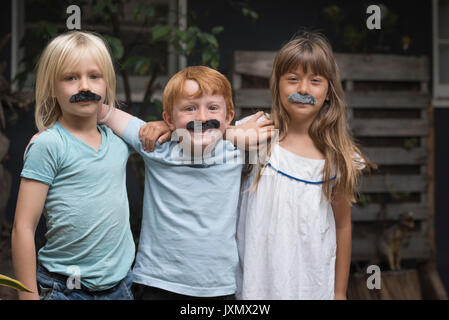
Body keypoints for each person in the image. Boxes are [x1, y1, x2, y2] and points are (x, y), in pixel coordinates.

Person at [97, 65, 274, 299]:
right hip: (158, 283)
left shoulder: (239, 147)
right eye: (189, 109)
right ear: (169, 118)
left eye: (212, 108)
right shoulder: (155, 145)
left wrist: (229, 132)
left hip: (217, 286)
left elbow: (283, 119)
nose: (201, 117)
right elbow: (103, 112)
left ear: (229, 115)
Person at [235, 31, 376, 300]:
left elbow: (342, 226)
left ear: (328, 91)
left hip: (311, 286)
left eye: (315, 81)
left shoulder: (336, 156)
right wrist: (166, 125)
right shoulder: (256, 134)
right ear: (277, 85)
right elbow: (201, 142)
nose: (303, 90)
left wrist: (339, 292)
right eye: (292, 79)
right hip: (257, 284)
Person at [11, 31, 135, 300]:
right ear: (52, 89)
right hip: (63, 288)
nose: (84, 86)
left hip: (119, 287)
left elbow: (159, 135)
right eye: (70, 78)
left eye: (95, 76)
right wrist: (28, 296)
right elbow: (23, 227)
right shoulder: (48, 145)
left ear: (107, 83)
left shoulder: (119, 141)